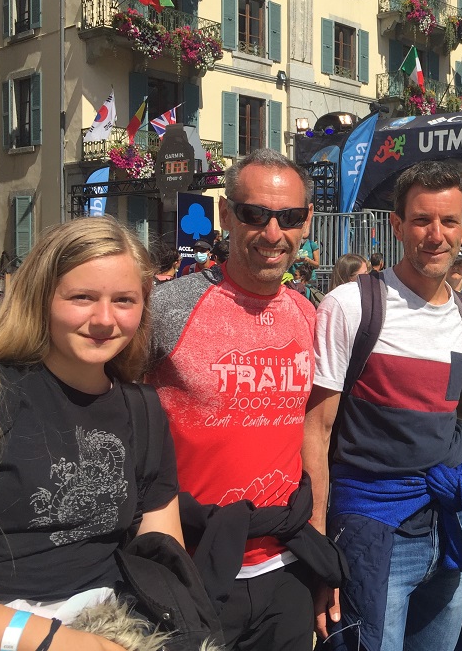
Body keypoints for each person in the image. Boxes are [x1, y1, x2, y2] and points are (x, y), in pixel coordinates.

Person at [146, 149, 342, 650]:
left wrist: (318, 549)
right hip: (193, 566)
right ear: (228, 215)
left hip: (288, 570)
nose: (273, 233)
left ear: (306, 223)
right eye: (255, 214)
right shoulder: (167, 307)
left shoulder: (308, 313)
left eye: (290, 217)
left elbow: (312, 439)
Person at [307, 160, 462, 651]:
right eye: (421, 220)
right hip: (372, 527)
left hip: (446, 529)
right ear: (397, 224)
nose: (435, 235)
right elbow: (317, 430)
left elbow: (453, 416)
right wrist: (318, 537)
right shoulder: (350, 305)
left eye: (449, 221)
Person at [0, 217, 182, 651]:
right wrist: (61, 643)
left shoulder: (144, 410)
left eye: (125, 300)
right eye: (82, 298)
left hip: (116, 626)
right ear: (41, 298)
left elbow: (161, 555)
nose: (104, 319)